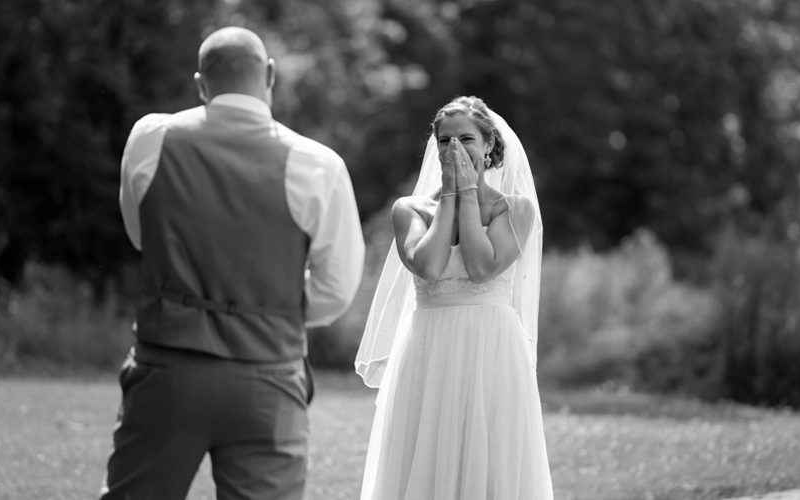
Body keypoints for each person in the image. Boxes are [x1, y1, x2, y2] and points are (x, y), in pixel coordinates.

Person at [100, 27, 365, 500]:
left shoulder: (151, 137)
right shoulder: (318, 164)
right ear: (269, 75)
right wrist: (273, 305)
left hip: (166, 368)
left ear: (201, 83)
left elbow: (143, 238)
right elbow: (337, 288)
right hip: (268, 375)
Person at [355, 96, 554, 499]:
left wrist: (468, 193)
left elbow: (483, 267)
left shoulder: (515, 210)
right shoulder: (409, 210)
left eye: (466, 139)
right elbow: (427, 265)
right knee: (424, 452)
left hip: (492, 348)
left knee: (490, 455)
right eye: (445, 140)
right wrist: (450, 196)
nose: (455, 149)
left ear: (489, 146)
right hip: (428, 348)